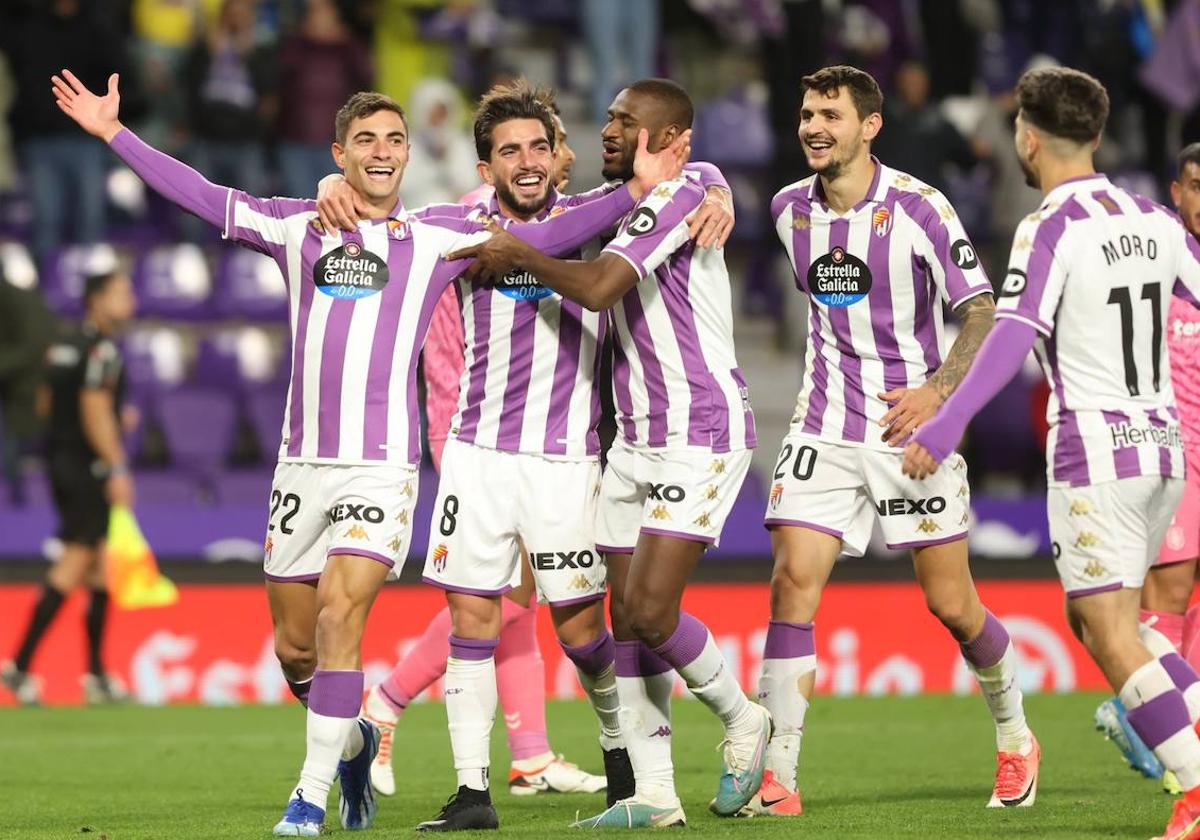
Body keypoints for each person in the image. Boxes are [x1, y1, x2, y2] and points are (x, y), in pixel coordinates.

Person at [50, 68, 686, 837]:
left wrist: (647, 189)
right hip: (300, 469)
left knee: (341, 615)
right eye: (365, 142)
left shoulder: (435, 241)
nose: (381, 152)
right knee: (295, 649)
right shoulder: (299, 225)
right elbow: (199, 193)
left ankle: (306, 801)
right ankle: (350, 738)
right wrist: (115, 133)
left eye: (393, 140)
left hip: (383, 470)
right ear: (339, 153)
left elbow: (544, 237)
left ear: (409, 154)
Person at [318, 89, 734, 809]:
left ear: (558, 156)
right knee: (471, 623)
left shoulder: (594, 216)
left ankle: (621, 760)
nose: (528, 161)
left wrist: (718, 184)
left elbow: (673, 174)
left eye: (539, 148)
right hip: (477, 457)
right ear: (486, 166)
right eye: (509, 151)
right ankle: (471, 793)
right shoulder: (455, 227)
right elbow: (383, 222)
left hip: (566, 461)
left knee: (583, 634)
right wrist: (336, 184)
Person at [448, 78, 768, 829]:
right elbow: (570, 233)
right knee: (626, 617)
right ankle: (652, 795)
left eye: (626, 121)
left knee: (652, 613)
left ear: (670, 138)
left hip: (700, 427)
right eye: (611, 116)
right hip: (633, 436)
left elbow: (596, 288)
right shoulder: (627, 197)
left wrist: (514, 257)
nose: (609, 130)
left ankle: (742, 716)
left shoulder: (684, 195)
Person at [904, 67, 1200, 840]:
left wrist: (945, 421)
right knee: (1102, 621)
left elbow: (1013, 337)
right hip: (1164, 452)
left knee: (1108, 631)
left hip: (1095, 455)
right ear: (1096, 136)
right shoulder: (1156, 220)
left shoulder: (1051, 227)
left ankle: (1197, 791)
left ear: (1026, 138)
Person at [755, 65, 1038, 816]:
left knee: (951, 603)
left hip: (909, 428)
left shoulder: (919, 207)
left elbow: (982, 314)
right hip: (823, 424)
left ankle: (1015, 737)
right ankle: (777, 775)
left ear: (870, 126)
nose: (814, 127)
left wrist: (937, 396)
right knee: (792, 582)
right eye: (807, 113)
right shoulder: (788, 210)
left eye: (831, 116)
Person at [1095, 143, 1200, 787]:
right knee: (1169, 593)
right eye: (1197, 183)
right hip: (1175, 453)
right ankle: (1147, 719)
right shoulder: (1158, 259)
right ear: (1177, 191)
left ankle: (1170, 728)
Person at [1, 269, 136, 706]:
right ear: (96, 300)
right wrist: (115, 466)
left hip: (61, 458)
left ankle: (96, 674)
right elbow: (93, 407)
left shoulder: (63, 345)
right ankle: (19, 666)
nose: (129, 300)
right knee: (77, 557)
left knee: (99, 566)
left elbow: (44, 401)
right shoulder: (101, 350)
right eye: (120, 292)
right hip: (86, 466)